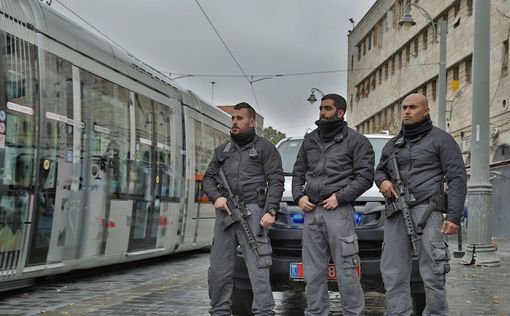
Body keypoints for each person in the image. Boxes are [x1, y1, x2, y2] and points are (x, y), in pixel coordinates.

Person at [375, 93, 467, 315]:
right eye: (404, 107)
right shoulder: (393, 144)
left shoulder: (441, 140)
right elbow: (380, 169)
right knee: (393, 272)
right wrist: (383, 181)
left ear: (426, 111)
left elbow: (457, 177)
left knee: (434, 271)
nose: (406, 111)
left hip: (428, 211)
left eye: (413, 107)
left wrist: (453, 216)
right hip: (396, 211)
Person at [292, 93, 374, 316]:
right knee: (313, 271)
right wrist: (299, 197)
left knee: (346, 269)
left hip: (339, 212)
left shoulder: (356, 141)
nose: (322, 112)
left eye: (327, 109)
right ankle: (316, 312)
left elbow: (365, 177)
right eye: (320, 108)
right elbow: (298, 172)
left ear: (340, 112)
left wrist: (340, 197)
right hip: (312, 213)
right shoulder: (311, 140)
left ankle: (353, 313)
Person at [203, 102, 284, 316]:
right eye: (233, 118)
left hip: (253, 212)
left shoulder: (266, 148)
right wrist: (216, 197)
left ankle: (264, 312)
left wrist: (271, 210)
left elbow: (276, 181)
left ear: (251, 121)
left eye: (239, 118)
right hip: (226, 213)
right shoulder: (223, 150)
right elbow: (209, 178)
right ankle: (219, 311)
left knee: (259, 269)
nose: (235, 122)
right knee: (218, 270)